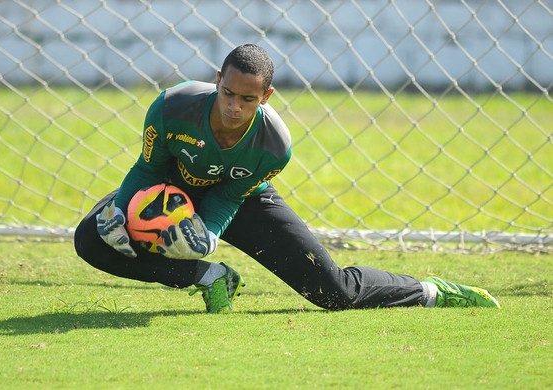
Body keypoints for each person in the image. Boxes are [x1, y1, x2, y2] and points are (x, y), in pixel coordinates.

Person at [74, 44, 500, 313]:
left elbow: (230, 195)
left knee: (333, 293)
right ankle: (209, 278)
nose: (234, 107)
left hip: (240, 201)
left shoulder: (274, 144)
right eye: (228, 93)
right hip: (168, 193)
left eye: (248, 99)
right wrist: (121, 208)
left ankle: (429, 291)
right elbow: (147, 169)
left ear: (266, 97)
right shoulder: (171, 107)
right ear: (217, 80)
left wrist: (207, 235)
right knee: (92, 239)